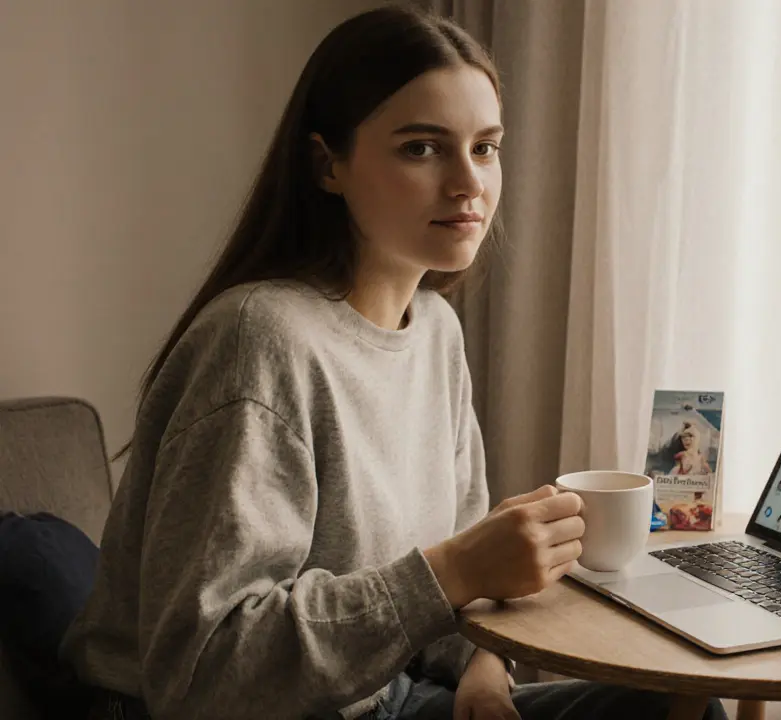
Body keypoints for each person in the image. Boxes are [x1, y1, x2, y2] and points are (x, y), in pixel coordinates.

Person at [58, 7, 726, 720]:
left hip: (384, 695)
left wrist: (482, 668)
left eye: (487, 147)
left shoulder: (435, 332)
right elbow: (205, 677)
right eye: (421, 148)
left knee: (678, 705)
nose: (469, 184)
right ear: (328, 165)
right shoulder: (258, 341)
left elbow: (457, 591)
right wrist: (455, 572)